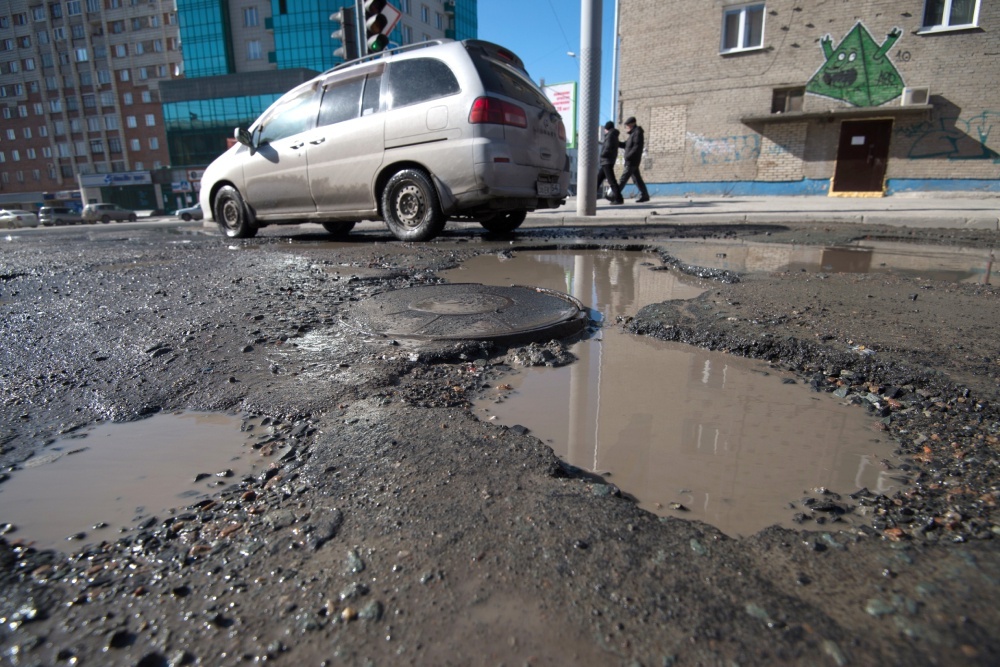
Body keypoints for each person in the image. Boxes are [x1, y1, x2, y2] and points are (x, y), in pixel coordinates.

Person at [618, 116, 650, 203]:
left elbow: (636, 147)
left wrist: (628, 156)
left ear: (632, 124)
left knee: (623, 178)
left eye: (627, 125)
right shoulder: (633, 134)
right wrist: (616, 143)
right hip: (632, 160)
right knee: (637, 179)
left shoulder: (637, 133)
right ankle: (645, 195)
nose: (627, 127)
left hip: (632, 160)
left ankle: (615, 196)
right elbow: (626, 145)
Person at [597, 121, 624, 205]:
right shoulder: (614, 135)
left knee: (611, 181)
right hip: (608, 160)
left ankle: (619, 199)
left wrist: (602, 154)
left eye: (605, 129)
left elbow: (608, 147)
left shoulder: (610, 135)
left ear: (607, 129)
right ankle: (591, 196)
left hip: (606, 161)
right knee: (598, 179)